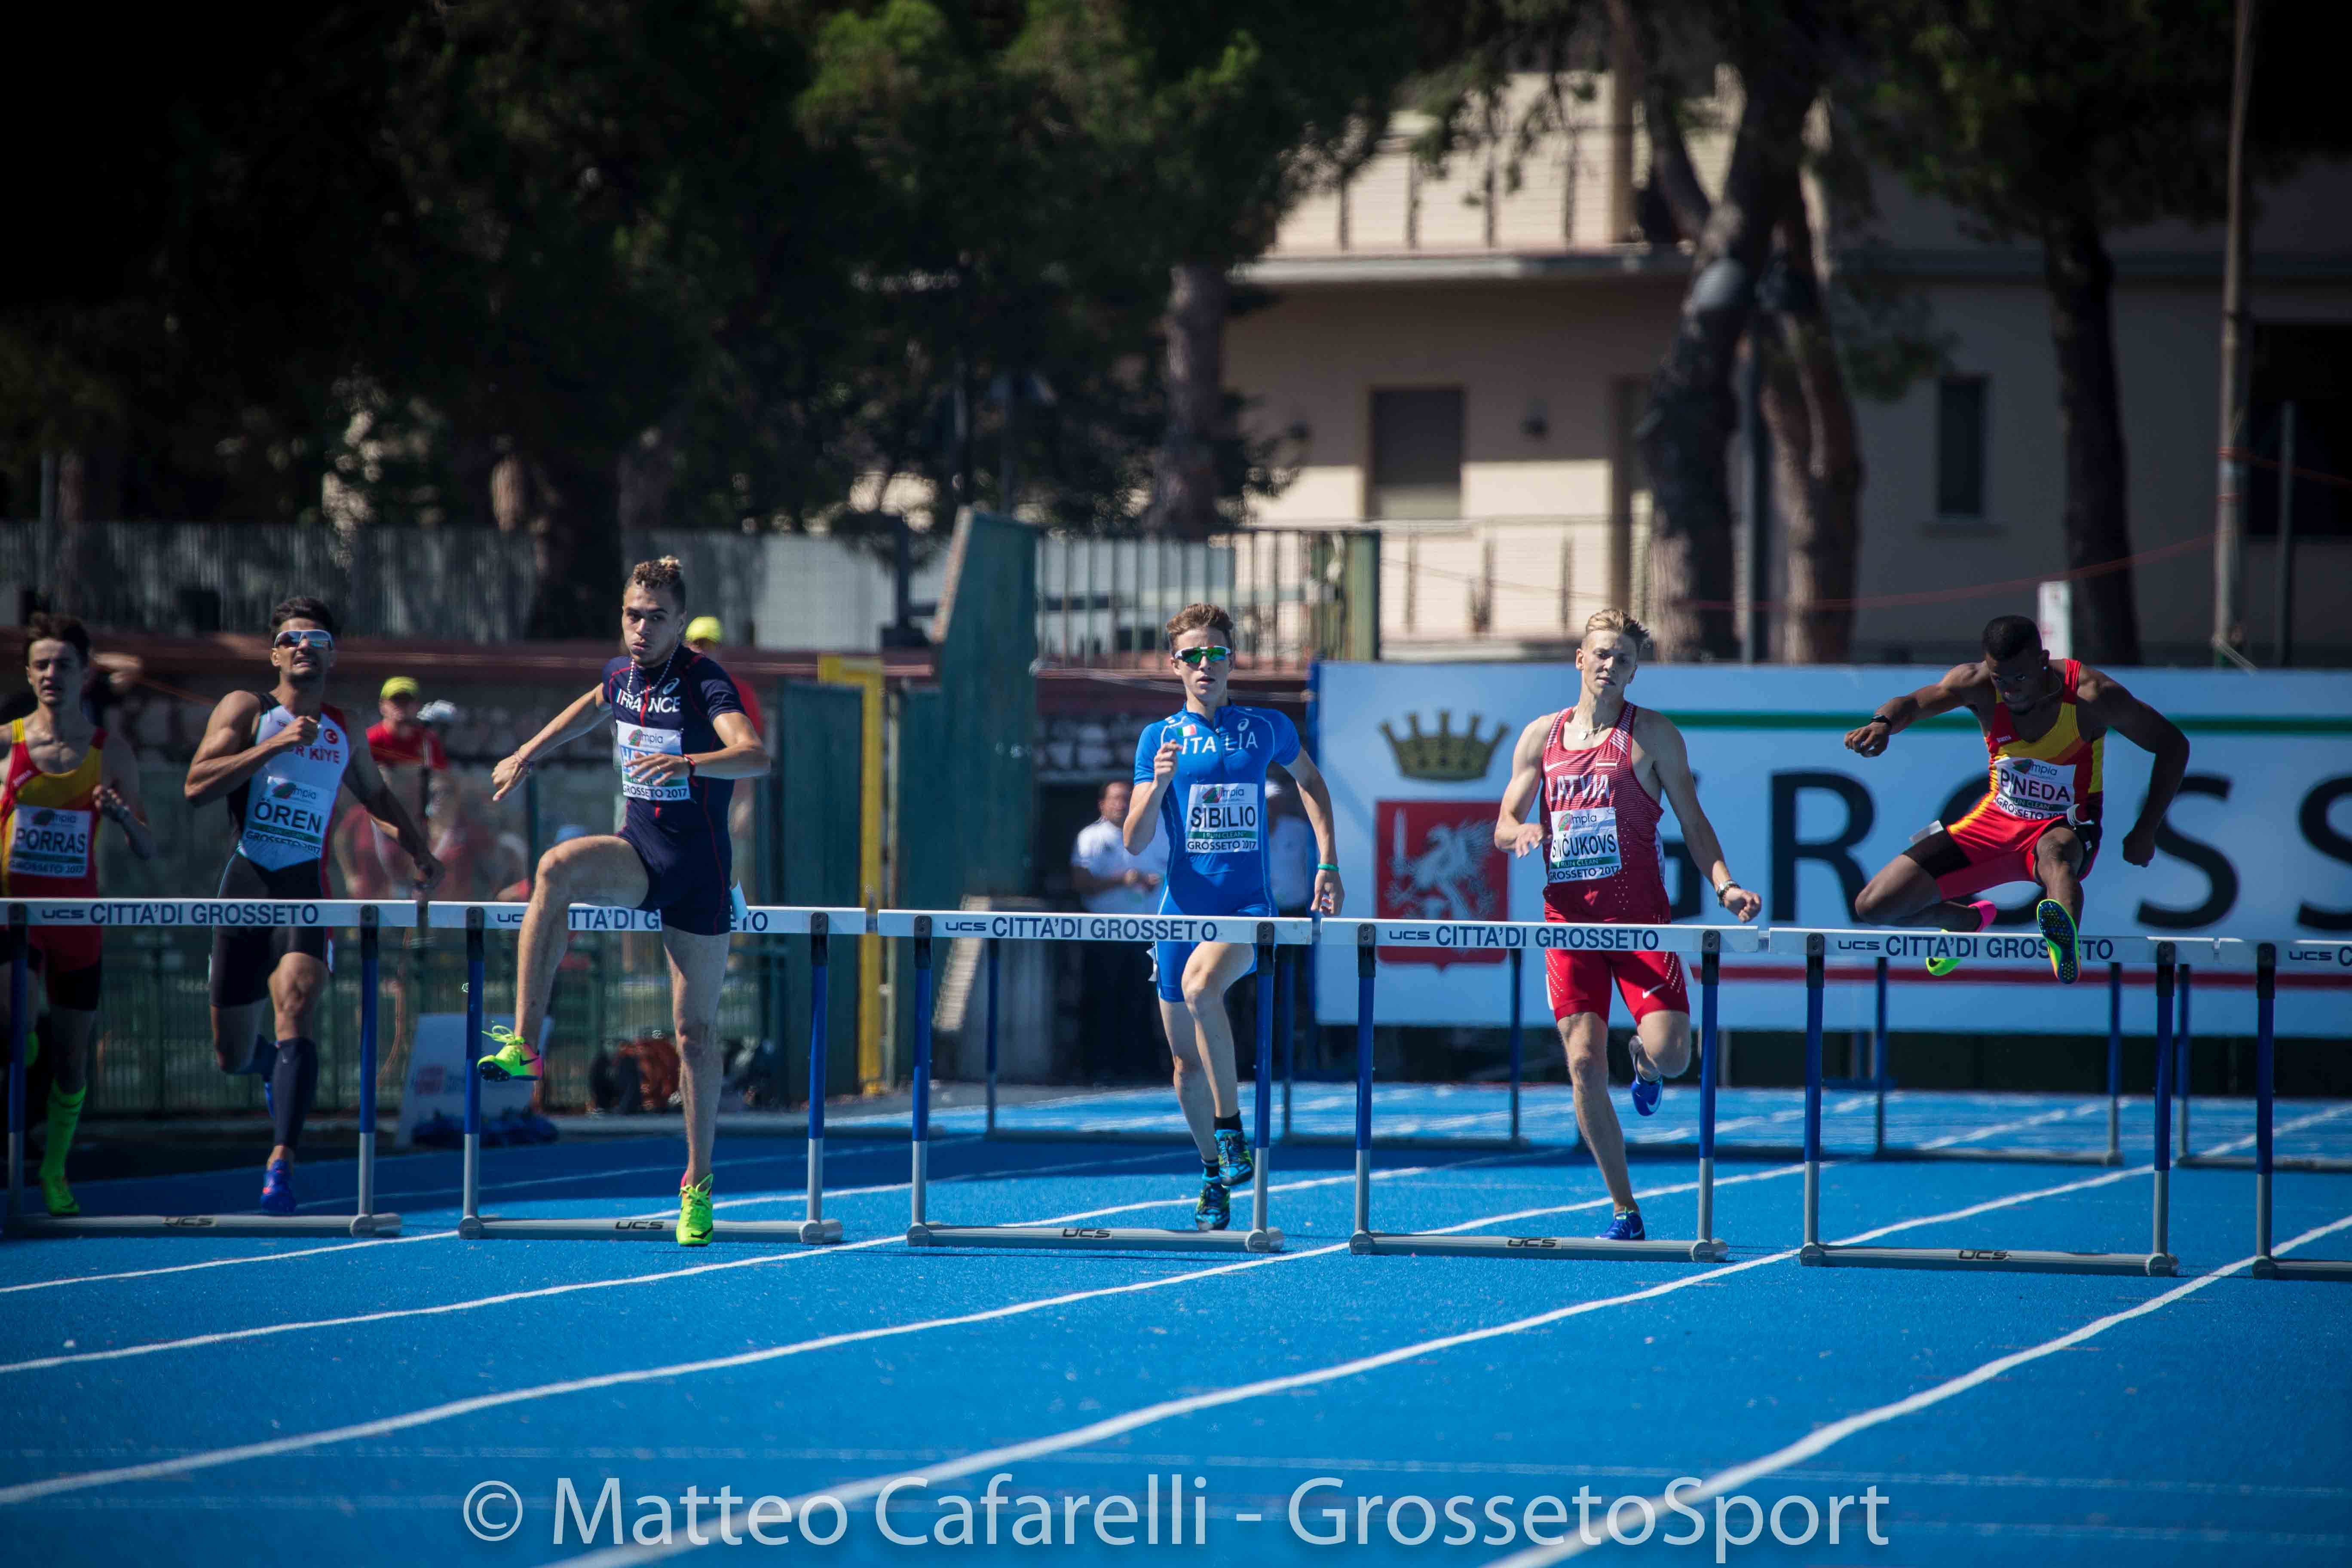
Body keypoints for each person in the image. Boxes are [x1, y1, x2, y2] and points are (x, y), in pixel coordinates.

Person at [479, 557, 769, 1246]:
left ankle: (698, 1185)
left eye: (656, 618)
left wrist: (690, 763)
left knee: (694, 1034)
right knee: (555, 869)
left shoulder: (705, 682)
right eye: (633, 615)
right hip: (638, 853)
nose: (642, 628)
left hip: (699, 874)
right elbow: (592, 705)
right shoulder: (621, 676)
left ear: (680, 622)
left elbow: (755, 755)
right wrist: (527, 752)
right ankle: (526, 1042)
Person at [1494, 609, 1761, 1242]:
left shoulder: (1654, 735)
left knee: (1674, 1055)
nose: (1610, 665)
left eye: (1623, 658)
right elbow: (1502, 822)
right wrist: (1521, 830)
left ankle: (1644, 1062)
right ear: (1580, 660)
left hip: (1641, 924)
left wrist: (1725, 885)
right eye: (1602, 654)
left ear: (1634, 672)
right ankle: (1624, 1208)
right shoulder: (1541, 737)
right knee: (1584, 1063)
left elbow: (1693, 821)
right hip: (1570, 926)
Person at [184, 596, 442, 1213]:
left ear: (332, 656)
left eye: (318, 640)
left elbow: (377, 797)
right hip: (245, 887)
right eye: (292, 639)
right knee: (231, 1056)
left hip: (305, 891)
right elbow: (196, 786)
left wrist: (419, 851)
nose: (304, 647)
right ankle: (271, 1067)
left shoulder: (343, 727)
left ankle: (281, 1163)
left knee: (297, 1003)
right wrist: (272, 748)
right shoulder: (248, 709)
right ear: (274, 654)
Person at [1125, 603, 1342, 1231]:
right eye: (1192, 655)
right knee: (1184, 1065)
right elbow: (1135, 841)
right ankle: (1212, 1172)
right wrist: (1157, 785)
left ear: (1231, 661)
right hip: (1179, 911)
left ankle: (1230, 1130)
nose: (1205, 665)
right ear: (1175, 665)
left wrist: (1328, 863)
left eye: (1215, 653)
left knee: (1202, 988)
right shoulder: (1159, 739)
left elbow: (1311, 784)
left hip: (1247, 907)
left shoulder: (1265, 727)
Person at [1844, 612, 2190, 983]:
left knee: (2056, 856)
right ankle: (1963, 921)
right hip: (1995, 820)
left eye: (2020, 678)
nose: (2010, 691)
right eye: (2001, 680)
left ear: (2043, 660)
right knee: (1873, 905)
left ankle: (2064, 945)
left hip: (2065, 822)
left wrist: (2147, 828)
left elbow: (2172, 745)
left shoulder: (2092, 695)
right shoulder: (1976, 683)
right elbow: (1914, 702)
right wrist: (1882, 723)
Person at [0, 615, 155, 1216]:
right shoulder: (6, 743)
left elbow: (148, 846)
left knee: (71, 1059)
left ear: (85, 675)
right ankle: (23, 1057)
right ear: (27, 673)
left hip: (77, 921)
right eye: (41, 664)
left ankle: (55, 1171)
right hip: (15, 916)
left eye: (63, 664)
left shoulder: (109, 751)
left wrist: (120, 817)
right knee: (14, 1016)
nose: (51, 674)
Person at [1069, 778, 1167, 1078]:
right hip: (1105, 934)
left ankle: (1140, 1069)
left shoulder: (1158, 834)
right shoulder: (1091, 837)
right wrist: (1121, 881)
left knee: (1142, 1001)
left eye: (1128, 798)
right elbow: (1081, 882)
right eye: (1116, 799)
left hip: (1147, 935)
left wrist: (1153, 884)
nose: (1123, 805)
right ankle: (1099, 1068)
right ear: (1102, 804)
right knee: (1103, 998)